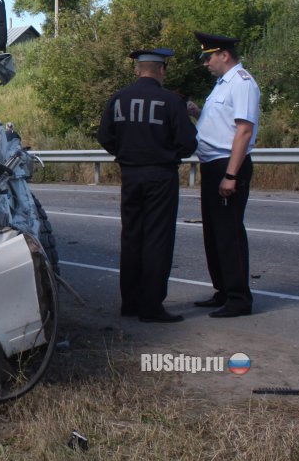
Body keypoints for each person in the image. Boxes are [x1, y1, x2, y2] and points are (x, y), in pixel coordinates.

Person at [97, 48, 198, 323]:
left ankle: (130, 302)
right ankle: (151, 306)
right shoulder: (170, 101)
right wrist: (167, 152)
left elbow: (104, 136)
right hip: (160, 175)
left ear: (137, 70)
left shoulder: (118, 99)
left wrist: (127, 152)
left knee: (131, 236)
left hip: (130, 175)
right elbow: (189, 143)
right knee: (157, 238)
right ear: (162, 70)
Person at [187, 31, 260, 318]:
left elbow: (244, 130)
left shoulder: (242, 83)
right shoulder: (222, 84)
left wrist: (231, 175)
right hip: (213, 163)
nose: (205, 62)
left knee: (229, 233)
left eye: (208, 57)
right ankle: (223, 290)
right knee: (213, 233)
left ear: (224, 55)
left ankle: (239, 298)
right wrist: (198, 113)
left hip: (228, 165)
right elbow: (223, 123)